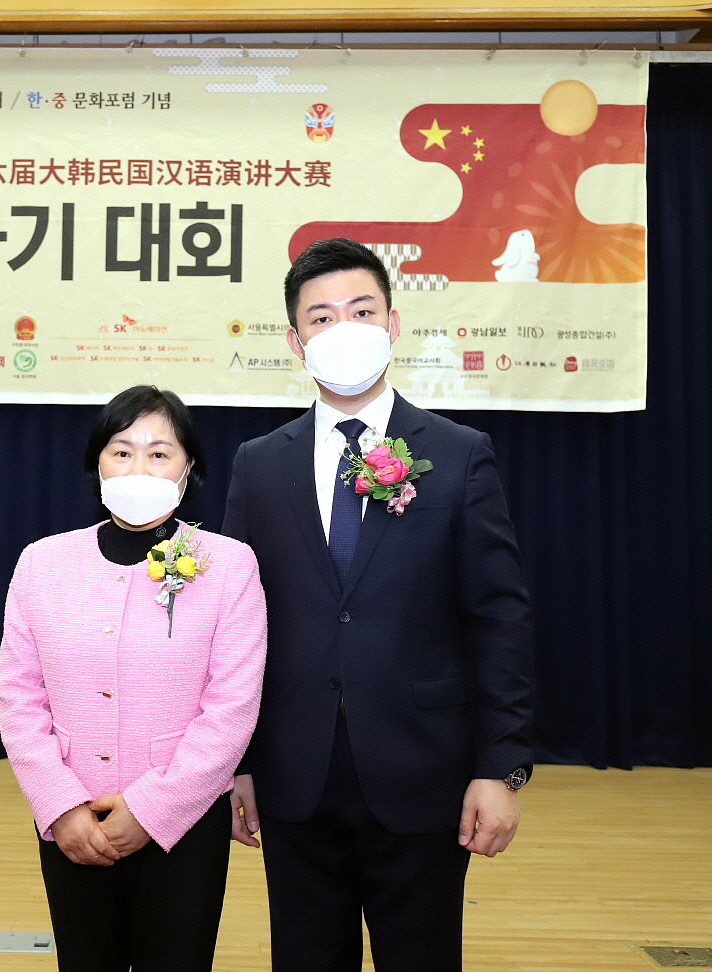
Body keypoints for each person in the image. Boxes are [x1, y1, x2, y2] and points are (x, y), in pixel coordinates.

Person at [221, 238, 535, 972]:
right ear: (295, 341)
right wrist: (236, 763)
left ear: (393, 324)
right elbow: (234, 629)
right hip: (293, 774)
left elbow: (499, 618)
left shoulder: (458, 454)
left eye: (361, 311)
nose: (345, 329)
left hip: (423, 770)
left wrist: (501, 768)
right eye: (322, 317)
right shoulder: (258, 464)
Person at [0, 385, 268, 972]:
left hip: (184, 820)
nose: (138, 467)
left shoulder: (229, 565)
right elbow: (18, 695)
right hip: (73, 820)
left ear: (188, 468)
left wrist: (150, 811)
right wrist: (59, 805)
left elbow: (232, 706)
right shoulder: (42, 562)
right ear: (96, 463)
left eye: (159, 453)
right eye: (121, 451)